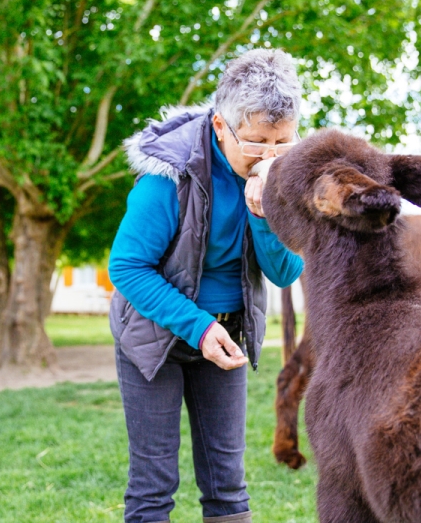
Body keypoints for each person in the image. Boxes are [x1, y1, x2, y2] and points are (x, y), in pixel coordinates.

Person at [108, 48, 304, 523]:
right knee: (154, 487)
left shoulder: (280, 177)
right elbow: (127, 267)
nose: (271, 156)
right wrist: (197, 326)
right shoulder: (166, 177)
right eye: (257, 142)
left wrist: (263, 213)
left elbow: (285, 272)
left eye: (284, 142)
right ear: (221, 126)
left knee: (227, 483)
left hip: (227, 334)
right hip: (153, 336)